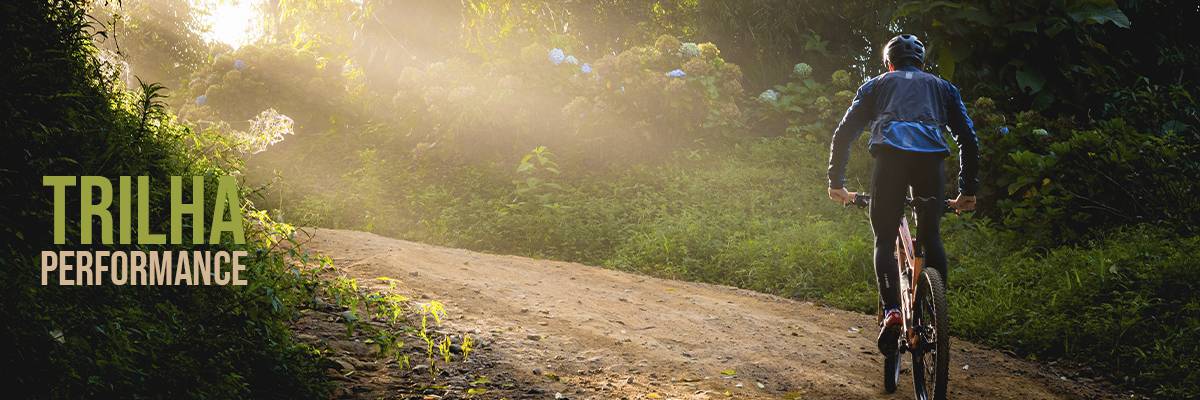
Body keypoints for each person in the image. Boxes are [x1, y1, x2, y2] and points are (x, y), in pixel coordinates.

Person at [825, 34, 979, 355]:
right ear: (922, 64)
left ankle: (893, 311)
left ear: (889, 63)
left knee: (884, 238)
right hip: (931, 164)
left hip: (890, 161)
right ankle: (937, 315)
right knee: (932, 236)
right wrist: (967, 191)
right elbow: (968, 139)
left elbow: (844, 134)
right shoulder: (943, 88)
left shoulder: (877, 85)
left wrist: (836, 182)